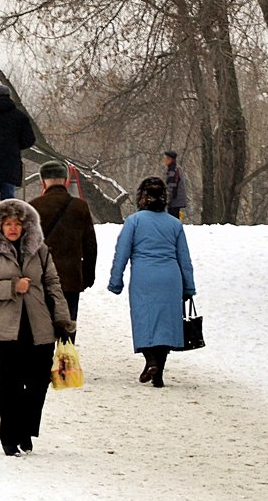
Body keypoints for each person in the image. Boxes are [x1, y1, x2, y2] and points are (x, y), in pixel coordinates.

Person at [0, 199, 74, 457]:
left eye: (17, 224)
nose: (13, 228)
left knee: (40, 380)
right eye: (8, 224)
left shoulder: (40, 251)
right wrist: (11, 287)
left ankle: (26, 428)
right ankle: (9, 436)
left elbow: (53, 285)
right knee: (10, 382)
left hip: (38, 325)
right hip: (3, 329)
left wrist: (62, 320)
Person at [107, 176, 197, 388]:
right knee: (166, 324)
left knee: (144, 320)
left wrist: (115, 281)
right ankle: (159, 373)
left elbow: (122, 253)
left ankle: (151, 361)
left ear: (142, 198)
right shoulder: (175, 225)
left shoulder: (134, 222)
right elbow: (184, 258)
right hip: (170, 278)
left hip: (144, 278)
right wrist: (188, 286)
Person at [29, 160, 97, 341]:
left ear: (43, 182)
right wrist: (87, 276)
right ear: (66, 181)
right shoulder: (80, 207)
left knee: (42, 329)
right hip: (71, 279)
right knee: (67, 327)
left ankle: (44, 365)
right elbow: (90, 245)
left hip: (41, 279)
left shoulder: (34, 207)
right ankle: (65, 365)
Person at [163, 150, 188, 220]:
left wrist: (168, 199)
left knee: (173, 219)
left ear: (170, 159)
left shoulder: (172, 170)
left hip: (175, 200)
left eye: (166, 158)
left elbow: (171, 186)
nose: (165, 160)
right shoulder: (176, 168)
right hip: (177, 199)